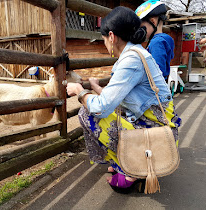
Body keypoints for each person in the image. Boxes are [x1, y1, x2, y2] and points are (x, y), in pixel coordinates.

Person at [66, 6, 181, 193]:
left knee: (88, 114)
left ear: (111, 36)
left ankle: (132, 171)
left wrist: (80, 92)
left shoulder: (131, 60)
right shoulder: (134, 54)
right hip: (151, 121)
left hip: (156, 131)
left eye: (103, 39)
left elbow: (102, 108)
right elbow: (116, 96)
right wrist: (95, 87)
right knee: (96, 111)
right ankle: (124, 162)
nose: (104, 43)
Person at [135, 0, 174, 82]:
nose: (141, 30)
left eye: (142, 27)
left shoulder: (157, 42)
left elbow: (157, 72)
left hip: (154, 90)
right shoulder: (163, 40)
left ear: (153, 22)